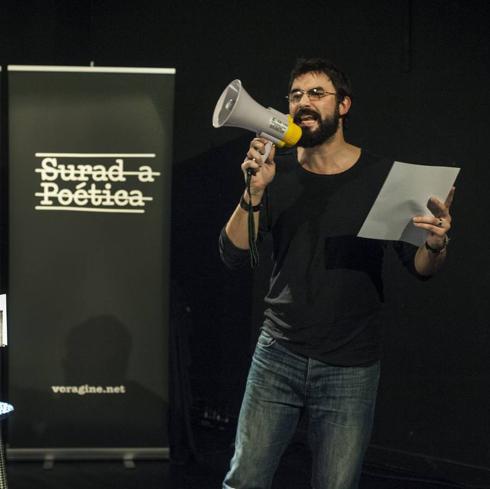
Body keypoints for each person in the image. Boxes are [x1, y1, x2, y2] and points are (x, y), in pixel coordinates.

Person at [218, 58, 455, 489]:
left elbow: (420, 268)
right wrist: (253, 191)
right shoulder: (277, 173)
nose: (303, 103)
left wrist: (436, 243)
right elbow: (233, 254)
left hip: (350, 365)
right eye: (295, 95)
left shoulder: (384, 177)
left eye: (316, 94)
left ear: (343, 105)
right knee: (244, 479)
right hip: (278, 354)